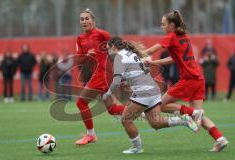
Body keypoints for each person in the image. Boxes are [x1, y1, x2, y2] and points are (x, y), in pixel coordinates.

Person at [143, 10, 228, 152]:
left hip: (188, 80)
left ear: (171, 25)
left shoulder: (171, 36)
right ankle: (220, 138)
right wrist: (154, 63)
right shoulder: (183, 36)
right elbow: (172, 59)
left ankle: (192, 113)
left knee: (160, 105)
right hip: (198, 79)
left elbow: (152, 50)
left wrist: (136, 53)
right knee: (199, 114)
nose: (161, 27)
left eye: (163, 24)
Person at [105, 36, 199, 154]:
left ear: (114, 46)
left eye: (108, 48)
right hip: (153, 90)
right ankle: (184, 120)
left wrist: (108, 94)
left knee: (125, 120)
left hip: (143, 92)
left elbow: (117, 79)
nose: (108, 51)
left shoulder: (119, 57)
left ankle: (137, 148)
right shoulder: (130, 54)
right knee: (156, 123)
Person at [74, 8, 126, 145]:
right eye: (82, 19)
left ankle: (91, 135)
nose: (84, 21)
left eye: (87, 18)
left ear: (93, 20)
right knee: (112, 110)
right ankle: (142, 110)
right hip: (96, 74)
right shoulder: (80, 39)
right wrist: (86, 56)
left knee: (81, 102)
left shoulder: (102, 34)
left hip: (103, 73)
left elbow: (118, 48)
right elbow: (78, 61)